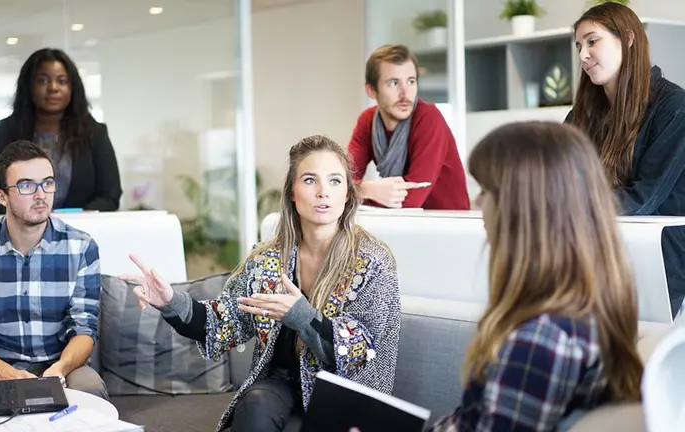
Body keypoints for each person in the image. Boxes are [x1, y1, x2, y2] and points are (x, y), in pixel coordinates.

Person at [122, 135, 401, 432]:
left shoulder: (373, 261)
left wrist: (301, 316)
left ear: (346, 193)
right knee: (255, 403)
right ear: (292, 192)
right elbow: (223, 322)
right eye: (310, 180)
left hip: (344, 388)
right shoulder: (268, 257)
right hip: (281, 382)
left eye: (334, 181)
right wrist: (170, 302)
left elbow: (358, 351)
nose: (323, 192)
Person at [430, 121, 643, 431]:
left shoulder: (542, 341)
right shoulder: (582, 312)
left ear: (521, 209)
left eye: (486, 190)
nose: (477, 202)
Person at [0, 141, 107, 399]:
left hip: (62, 366)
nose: (40, 195)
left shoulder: (81, 247)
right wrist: (5, 373)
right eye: (26, 186)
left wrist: (59, 369)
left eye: (47, 183)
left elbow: (84, 328)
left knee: (89, 388)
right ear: (2, 196)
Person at [565, 2, 685, 319]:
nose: (583, 55)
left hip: (660, 265)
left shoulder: (674, 107)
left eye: (593, 41)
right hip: (596, 257)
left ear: (628, 39)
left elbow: (644, 198)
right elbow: (557, 180)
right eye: (579, 46)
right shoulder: (581, 115)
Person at [0, 48, 122, 215]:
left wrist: (75, 218)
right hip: (20, 228)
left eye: (62, 81)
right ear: (28, 85)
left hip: (80, 228)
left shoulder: (95, 133)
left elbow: (110, 196)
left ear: (73, 87)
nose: (53, 88)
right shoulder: (6, 131)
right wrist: (30, 218)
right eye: (43, 80)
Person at [347, 44, 469, 210]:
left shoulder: (429, 118)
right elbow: (341, 182)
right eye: (393, 83)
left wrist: (358, 192)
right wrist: (367, 189)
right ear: (371, 91)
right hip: (400, 220)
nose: (405, 94)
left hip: (447, 221)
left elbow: (411, 200)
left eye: (411, 81)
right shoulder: (367, 121)